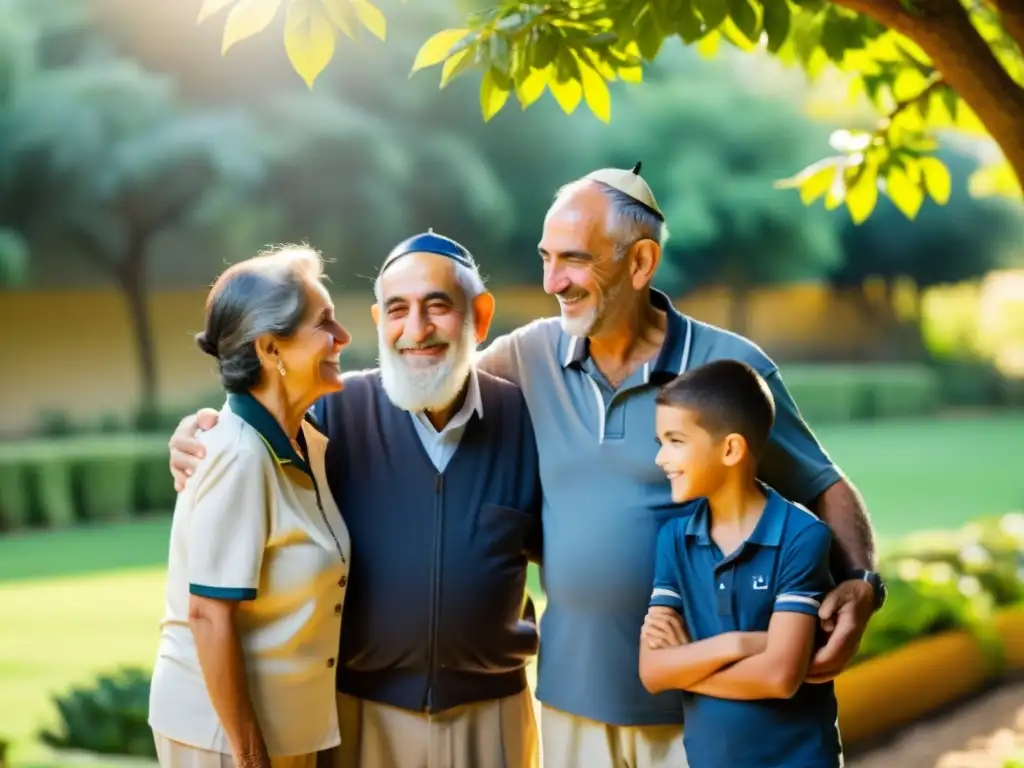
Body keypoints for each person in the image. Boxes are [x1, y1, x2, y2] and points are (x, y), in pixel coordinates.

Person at [471, 163, 884, 767]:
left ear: (640, 264)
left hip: (709, 713)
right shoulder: (526, 354)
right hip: (572, 704)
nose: (552, 281)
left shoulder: (729, 368)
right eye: (545, 257)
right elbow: (431, 393)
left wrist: (863, 584)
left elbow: (824, 485)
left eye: (574, 260)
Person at [167, 231, 543, 768]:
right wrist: (197, 432)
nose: (416, 330)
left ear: (479, 317)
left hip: (494, 713)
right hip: (357, 714)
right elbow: (252, 423)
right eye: (397, 310)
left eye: (438, 307)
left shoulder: (526, 420)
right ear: (377, 320)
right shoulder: (332, 416)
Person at [148, 245, 353, 768]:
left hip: (284, 731)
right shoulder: (238, 455)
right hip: (223, 739)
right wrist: (248, 755)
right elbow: (208, 616)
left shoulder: (304, 439)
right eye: (324, 322)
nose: (343, 337)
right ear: (270, 349)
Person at [638, 359, 842, 768]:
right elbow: (652, 672)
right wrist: (743, 643)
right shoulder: (674, 540)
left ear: (730, 449)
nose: (661, 458)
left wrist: (687, 663)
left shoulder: (801, 536)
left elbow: (780, 677)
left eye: (675, 441)